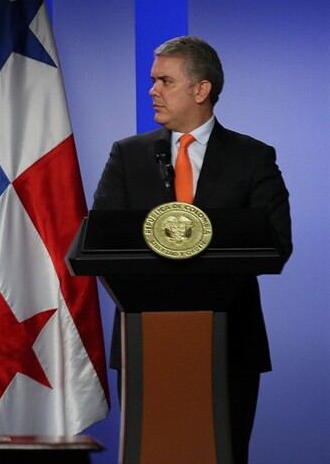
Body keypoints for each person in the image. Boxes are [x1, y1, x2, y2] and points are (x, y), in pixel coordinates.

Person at [92, 36, 291, 463]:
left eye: (165, 81)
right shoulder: (128, 155)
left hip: (229, 342)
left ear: (201, 90)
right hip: (144, 342)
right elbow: (103, 240)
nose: (153, 90)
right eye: (153, 80)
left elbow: (277, 244)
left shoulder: (252, 157)